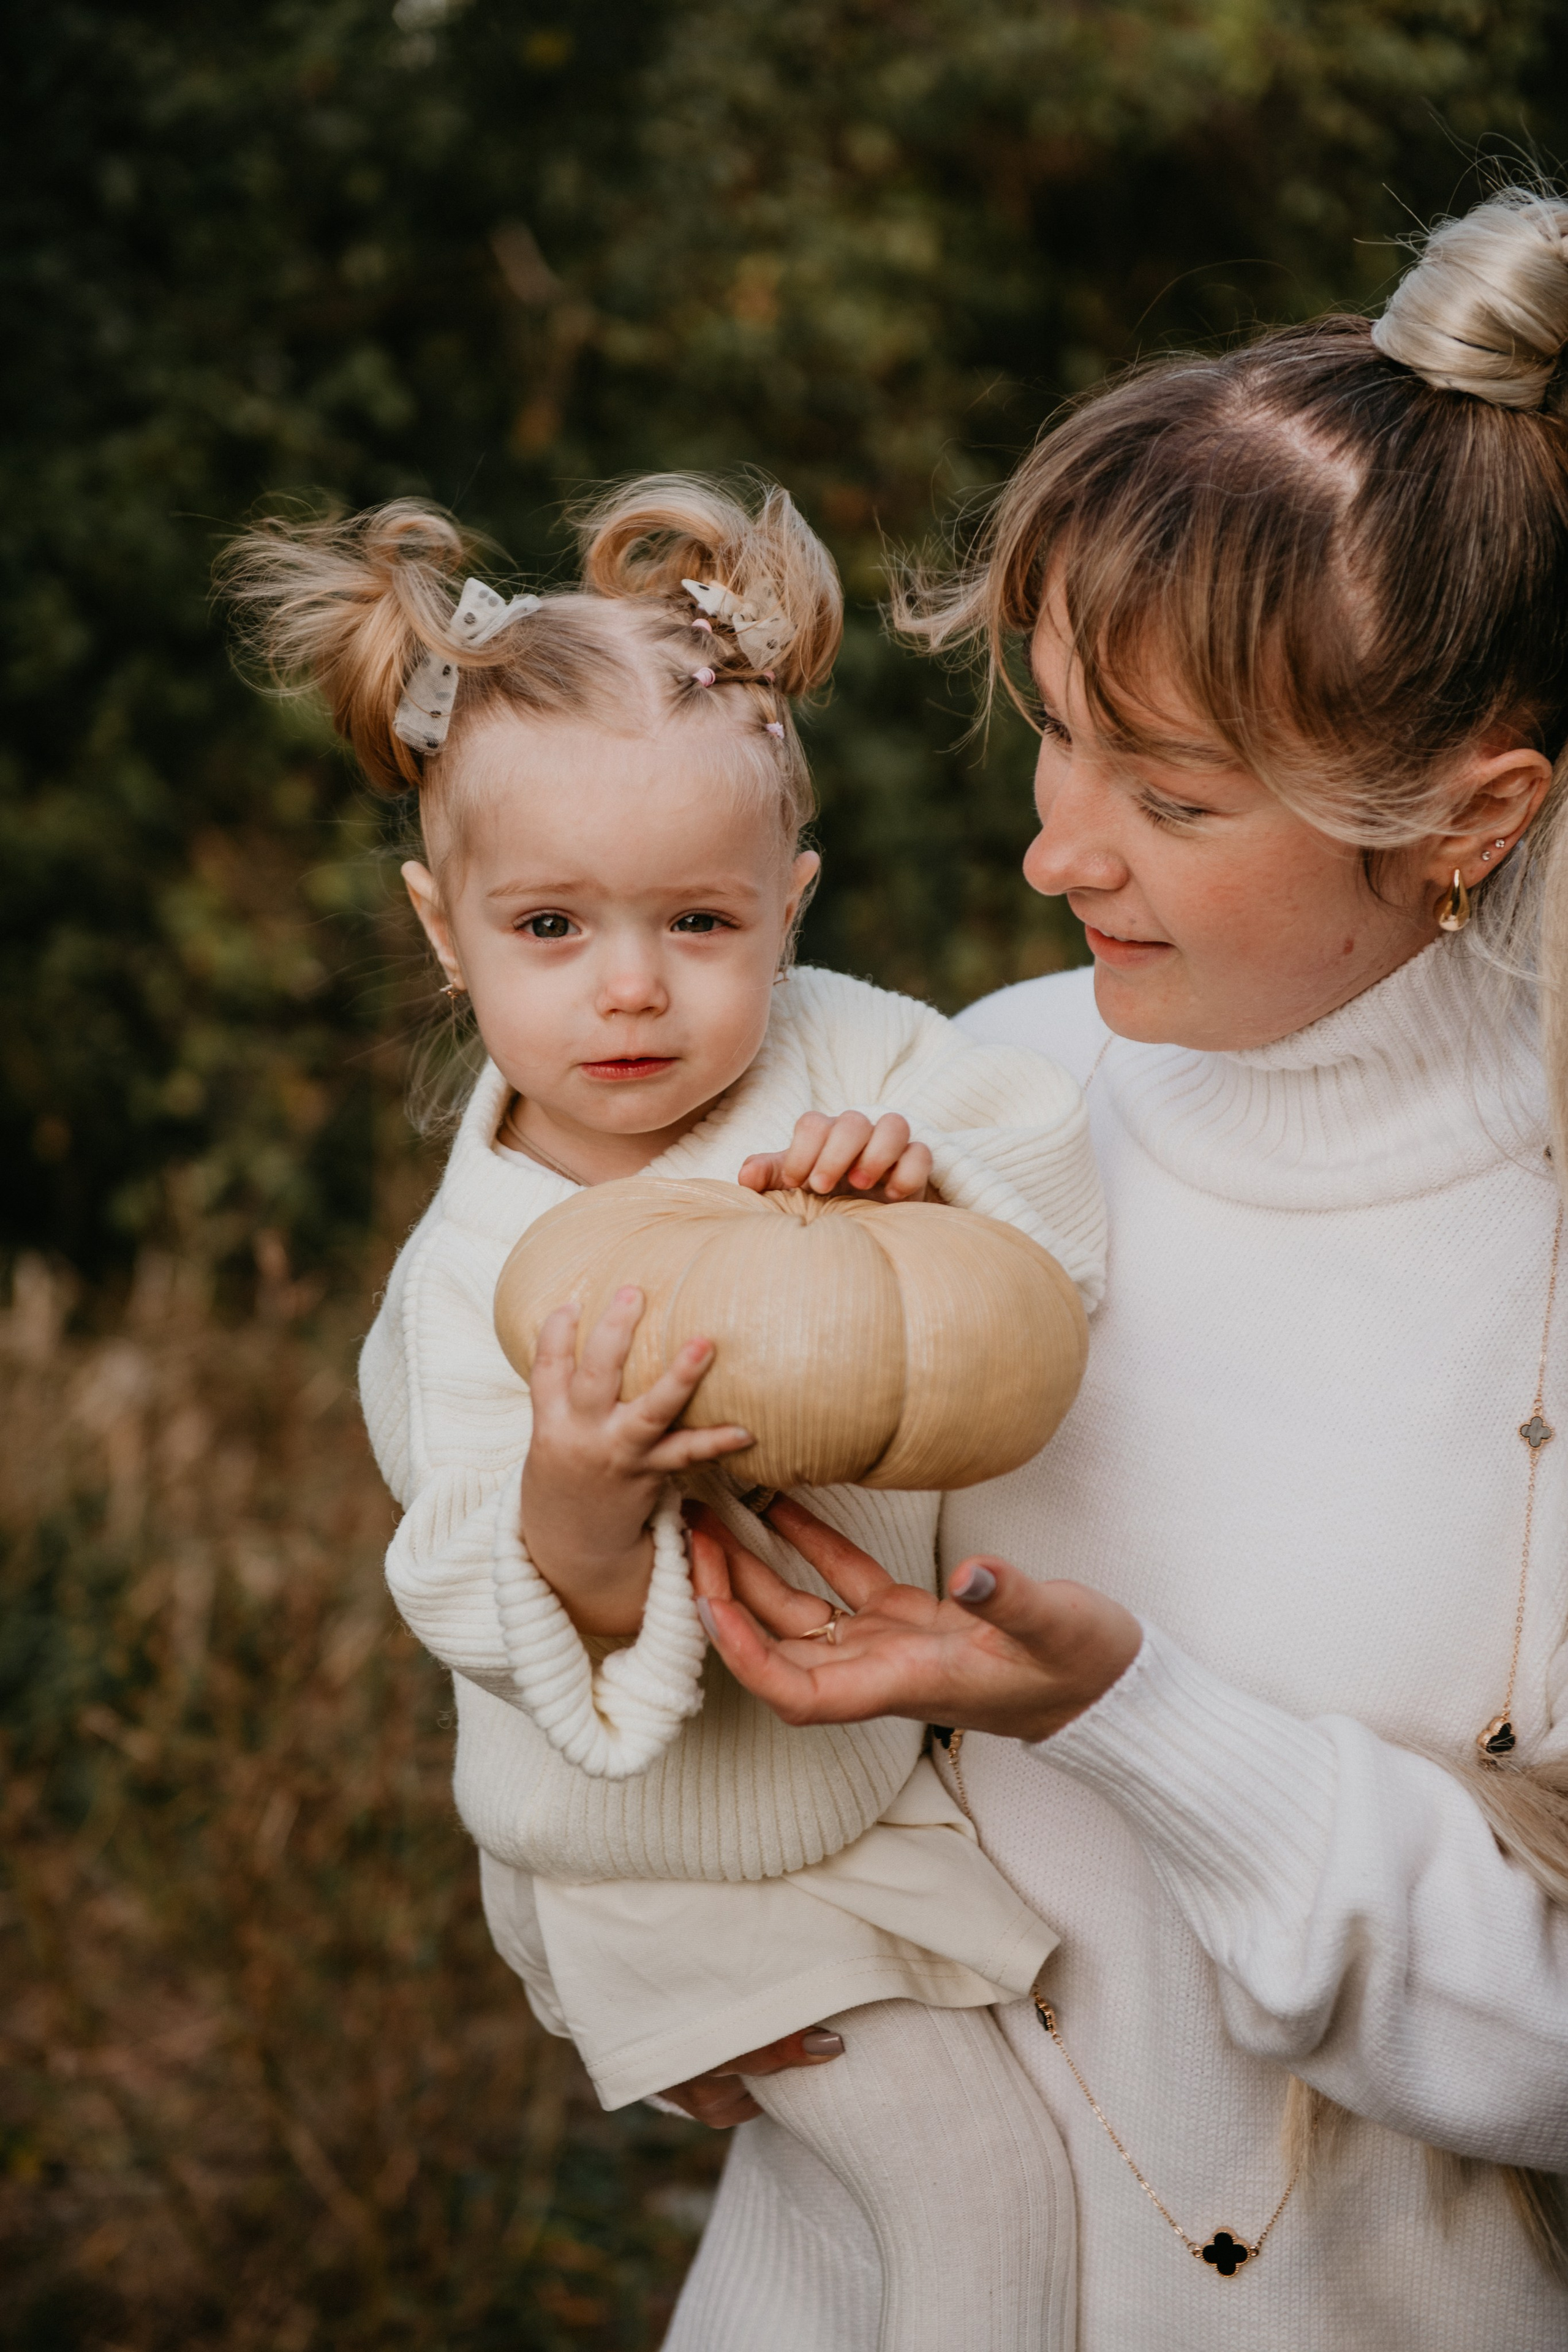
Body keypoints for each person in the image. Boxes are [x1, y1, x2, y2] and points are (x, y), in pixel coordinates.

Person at [669, 187, 1568, 2351]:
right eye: (1058, 729)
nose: (1054, 845)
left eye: (1170, 797)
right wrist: (683, 1931)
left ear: (1469, 810)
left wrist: (1131, 1715)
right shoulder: (971, 1093)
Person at [221, 477, 1108, 2351]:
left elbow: (1048, 1201)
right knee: (985, 2195)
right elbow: (461, 1578)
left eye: (700, 920)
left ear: (790, 902)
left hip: (862, 1800)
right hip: (660, 1869)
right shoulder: (477, 1277)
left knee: (837, 2243)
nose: (633, 989)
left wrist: (930, 1179)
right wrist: (577, 1502)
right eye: (551, 927)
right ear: (446, 931)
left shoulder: (853, 1060)